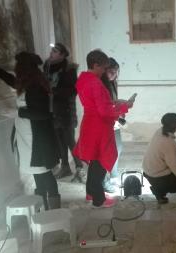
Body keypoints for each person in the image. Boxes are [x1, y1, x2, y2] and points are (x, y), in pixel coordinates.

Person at [0, 52, 61, 209]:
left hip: (37, 138)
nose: (16, 70)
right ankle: (42, 208)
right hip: (29, 135)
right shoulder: (30, 82)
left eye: (18, 67)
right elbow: (13, 82)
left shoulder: (35, 86)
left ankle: (54, 210)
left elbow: (42, 113)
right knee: (38, 173)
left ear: (23, 69)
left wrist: (18, 113)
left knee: (44, 174)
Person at [73, 49, 133, 208]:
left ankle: (90, 193)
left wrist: (115, 103)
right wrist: (125, 107)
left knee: (94, 160)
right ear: (95, 65)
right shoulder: (95, 83)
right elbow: (104, 111)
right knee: (99, 162)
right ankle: (99, 199)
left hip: (89, 123)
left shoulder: (83, 79)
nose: (104, 71)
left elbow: (97, 104)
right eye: (103, 67)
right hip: (99, 126)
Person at [43, 43, 84, 181]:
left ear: (62, 55)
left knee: (69, 140)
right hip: (52, 109)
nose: (51, 53)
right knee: (59, 140)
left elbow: (72, 90)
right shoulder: (47, 66)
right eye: (52, 50)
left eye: (55, 51)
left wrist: (53, 91)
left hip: (65, 110)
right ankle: (65, 167)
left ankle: (79, 167)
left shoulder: (69, 70)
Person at [100, 57, 124, 193]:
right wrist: (118, 106)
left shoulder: (112, 83)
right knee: (107, 151)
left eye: (116, 72)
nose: (114, 75)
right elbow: (105, 106)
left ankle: (114, 175)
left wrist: (119, 105)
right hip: (106, 122)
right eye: (111, 72)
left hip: (114, 121)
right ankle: (104, 181)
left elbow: (112, 102)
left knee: (118, 147)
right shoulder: (101, 85)